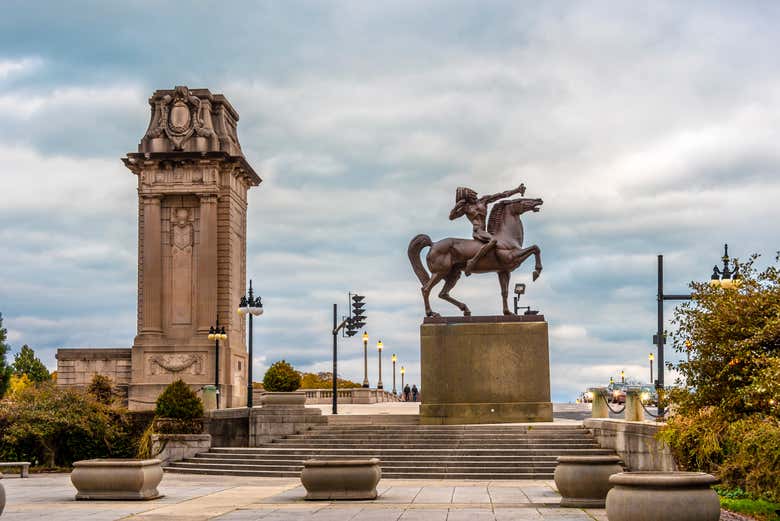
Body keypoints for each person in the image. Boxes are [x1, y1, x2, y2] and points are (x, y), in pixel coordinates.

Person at [449, 183, 526, 275]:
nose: (474, 196)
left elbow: (501, 195)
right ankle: (472, 261)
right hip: (478, 231)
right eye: (470, 195)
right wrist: (456, 207)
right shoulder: (466, 208)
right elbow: (452, 217)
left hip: (484, 231)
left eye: (472, 194)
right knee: (493, 241)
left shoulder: (483, 200)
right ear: (466, 197)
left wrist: (516, 190)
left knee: (495, 241)